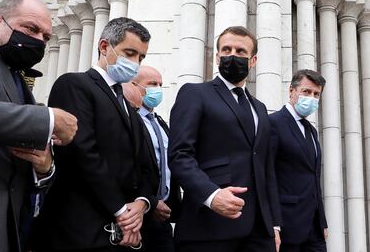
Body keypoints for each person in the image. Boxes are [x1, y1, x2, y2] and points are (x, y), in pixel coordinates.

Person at [0, 0, 77, 252]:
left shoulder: (16, 78)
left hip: (6, 229)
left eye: (45, 37)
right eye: (31, 29)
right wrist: (50, 119)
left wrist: (44, 168)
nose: (38, 41)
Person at [30, 17, 154, 252]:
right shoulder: (75, 85)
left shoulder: (129, 105)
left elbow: (146, 164)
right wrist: (122, 211)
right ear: (105, 46)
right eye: (130, 53)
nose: (135, 63)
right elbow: (82, 152)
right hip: (80, 229)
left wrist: (141, 204)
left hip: (123, 232)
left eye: (141, 57)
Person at [168, 26, 281, 252]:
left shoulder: (260, 108)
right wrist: (211, 195)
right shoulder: (195, 93)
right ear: (217, 56)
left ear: (253, 60)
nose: (232, 56)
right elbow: (180, 155)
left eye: (240, 51)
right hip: (209, 226)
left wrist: (274, 224)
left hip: (259, 232)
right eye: (226, 50)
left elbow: (266, 168)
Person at [269, 69, 328, 252]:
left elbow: (313, 178)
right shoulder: (272, 123)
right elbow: (266, 175)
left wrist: (322, 222)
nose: (311, 98)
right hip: (287, 227)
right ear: (291, 91)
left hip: (314, 229)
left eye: (316, 94)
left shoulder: (312, 131)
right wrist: (273, 224)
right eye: (306, 91)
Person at [132, 66, 181, 252]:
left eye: (160, 84)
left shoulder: (160, 123)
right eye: (152, 84)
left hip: (163, 218)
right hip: (137, 215)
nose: (157, 89)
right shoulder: (131, 120)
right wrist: (151, 202)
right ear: (135, 86)